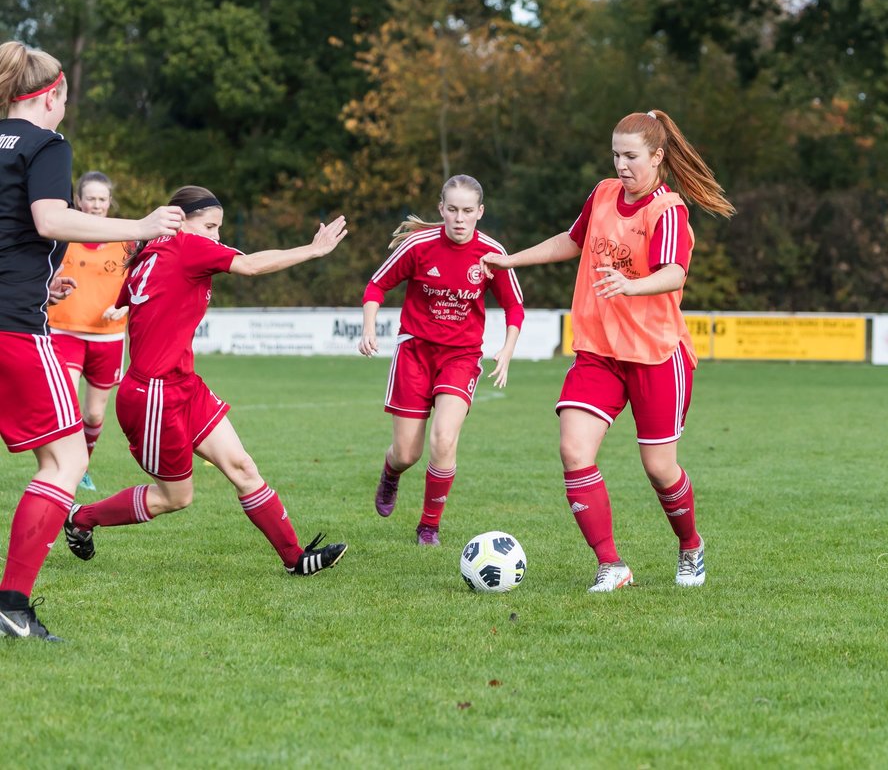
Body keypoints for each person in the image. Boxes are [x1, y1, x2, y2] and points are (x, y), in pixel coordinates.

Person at [479, 109, 735, 592]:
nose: (621, 164)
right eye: (615, 154)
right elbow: (572, 241)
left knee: (660, 468)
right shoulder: (602, 194)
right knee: (574, 450)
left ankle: (690, 546)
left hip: (657, 354)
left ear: (657, 157)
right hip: (598, 352)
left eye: (631, 156)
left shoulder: (668, 210)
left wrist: (630, 286)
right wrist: (511, 259)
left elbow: (675, 273)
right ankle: (611, 565)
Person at [62, 186, 350, 580]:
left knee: (242, 465)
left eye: (219, 228)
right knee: (175, 497)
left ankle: (295, 558)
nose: (215, 235)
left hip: (183, 384)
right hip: (154, 396)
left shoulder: (155, 251)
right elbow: (250, 266)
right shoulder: (185, 246)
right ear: (181, 220)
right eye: (210, 226)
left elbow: (131, 299)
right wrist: (312, 250)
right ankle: (81, 517)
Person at [0, 40, 183, 640]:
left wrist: (35, 283)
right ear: (50, 95)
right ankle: (12, 608)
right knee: (66, 459)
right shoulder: (47, 145)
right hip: (13, 331)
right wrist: (142, 225)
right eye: (64, 101)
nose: (64, 113)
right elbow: (51, 220)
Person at [359, 174, 524, 546]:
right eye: (452, 210)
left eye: (468, 211)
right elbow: (377, 285)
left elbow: (514, 307)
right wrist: (369, 326)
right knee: (406, 453)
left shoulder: (492, 252)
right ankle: (391, 473)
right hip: (414, 353)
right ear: (441, 210)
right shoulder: (418, 246)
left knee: (444, 439)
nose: (460, 218)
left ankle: (428, 526)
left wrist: (507, 349)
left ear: (480, 212)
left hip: (461, 357)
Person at [47, 171, 131, 491]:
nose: (96, 205)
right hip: (64, 332)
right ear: (78, 201)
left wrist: (125, 306)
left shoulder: (126, 239)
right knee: (65, 403)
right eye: (90, 198)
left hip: (108, 337)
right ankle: (62, 466)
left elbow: (140, 282)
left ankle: (82, 465)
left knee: (94, 416)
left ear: (109, 203)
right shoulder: (59, 237)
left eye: (102, 199)